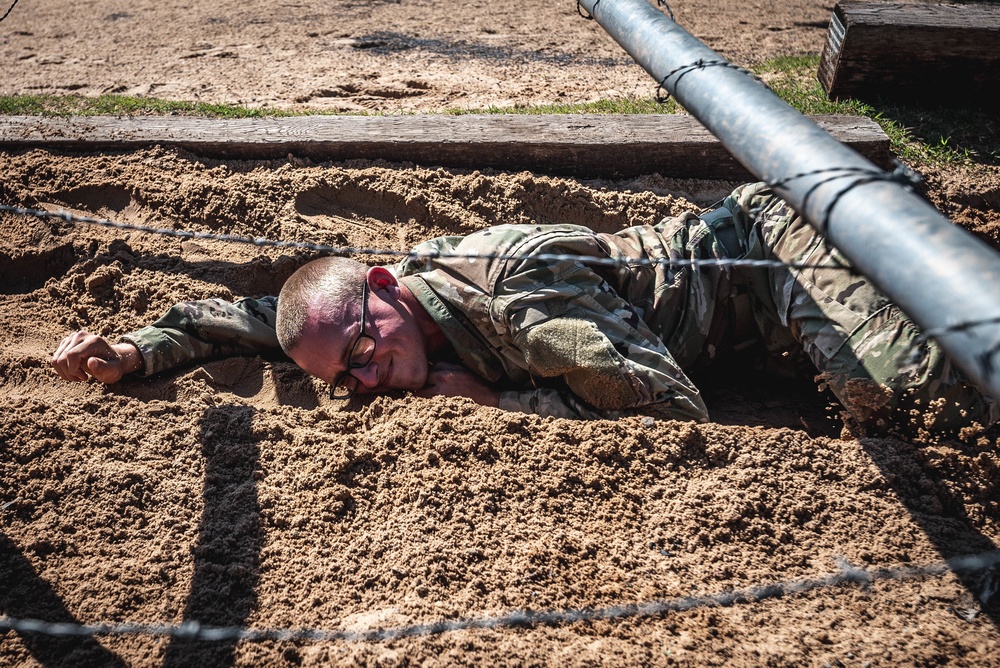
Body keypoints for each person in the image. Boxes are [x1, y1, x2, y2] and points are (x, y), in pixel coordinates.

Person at [51, 182, 998, 435]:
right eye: (346, 379)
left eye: (367, 355)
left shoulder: (522, 303)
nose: (369, 380)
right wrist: (133, 351)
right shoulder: (352, 320)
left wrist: (499, 404)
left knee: (920, 406)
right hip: (730, 316)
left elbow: (672, 410)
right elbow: (256, 315)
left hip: (773, 249)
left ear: (387, 288)